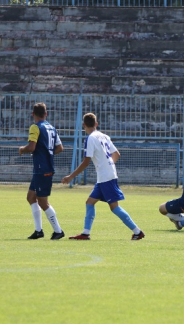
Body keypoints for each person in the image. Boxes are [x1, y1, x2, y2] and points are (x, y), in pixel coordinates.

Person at [62, 112, 145, 241]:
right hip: (105, 176)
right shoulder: (104, 136)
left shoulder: (90, 138)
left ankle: (137, 231)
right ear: (96, 124)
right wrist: (108, 165)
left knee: (114, 207)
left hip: (106, 177)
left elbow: (86, 162)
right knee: (90, 203)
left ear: (83, 125)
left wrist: (71, 176)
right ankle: (85, 233)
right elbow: (116, 154)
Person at [19, 102, 66, 240]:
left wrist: (22, 149)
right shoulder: (52, 128)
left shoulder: (35, 127)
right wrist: (47, 153)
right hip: (42, 168)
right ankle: (38, 231)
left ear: (33, 114)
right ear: (46, 114)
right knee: (30, 197)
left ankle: (58, 230)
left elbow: (32, 147)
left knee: (43, 201)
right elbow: (60, 148)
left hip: (42, 169)